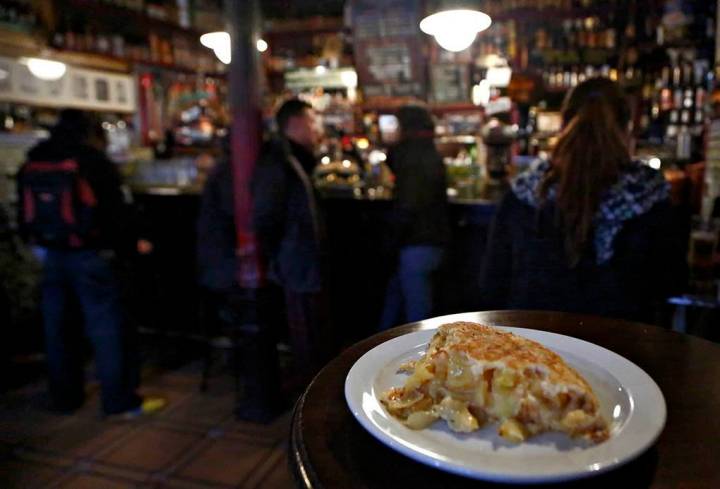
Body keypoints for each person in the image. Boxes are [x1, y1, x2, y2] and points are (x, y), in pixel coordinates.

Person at [480, 78, 687, 323]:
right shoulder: (649, 194)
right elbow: (672, 284)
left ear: (563, 123)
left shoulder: (526, 191)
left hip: (532, 347)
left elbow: (491, 286)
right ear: (626, 128)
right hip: (623, 350)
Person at [17, 109, 164, 417]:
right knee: (107, 329)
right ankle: (119, 401)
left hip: (51, 254)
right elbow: (116, 213)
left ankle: (64, 398)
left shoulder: (36, 156)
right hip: (92, 255)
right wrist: (132, 245)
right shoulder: (93, 161)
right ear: (91, 132)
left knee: (57, 330)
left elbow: (23, 208)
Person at [252, 99, 330, 384]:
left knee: (311, 328)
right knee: (304, 331)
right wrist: (282, 253)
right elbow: (265, 216)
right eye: (312, 121)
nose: (316, 128)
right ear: (295, 123)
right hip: (295, 260)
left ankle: (314, 384)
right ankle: (310, 393)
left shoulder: (292, 157)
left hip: (299, 257)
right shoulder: (279, 160)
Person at [379, 105, 450, 330]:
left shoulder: (410, 157)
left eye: (397, 125)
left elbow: (408, 206)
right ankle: (378, 347)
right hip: (431, 241)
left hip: (417, 243)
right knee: (401, 299)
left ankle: (413, 358)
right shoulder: (429, 152)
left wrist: (390, 241)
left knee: (417, 317)